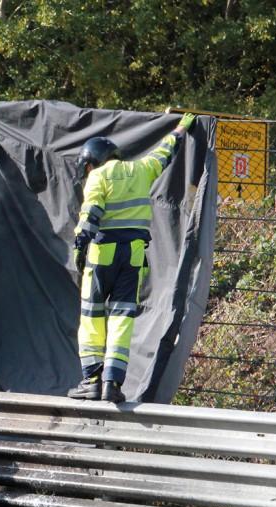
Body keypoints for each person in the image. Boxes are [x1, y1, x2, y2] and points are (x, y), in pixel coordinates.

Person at [68, 112, 196, 403]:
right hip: (133, 257)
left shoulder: (98, 176)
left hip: (102, 255)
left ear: (93, 161)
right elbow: (164, 152)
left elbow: (91, 213)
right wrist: (180, 129)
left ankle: (91, 381)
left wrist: (79, 245)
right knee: (122, 318)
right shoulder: (141, 169)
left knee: (91, 316)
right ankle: (112, 383)